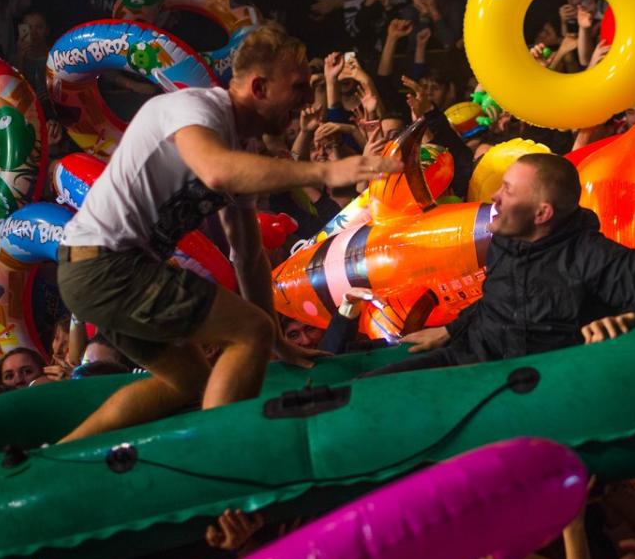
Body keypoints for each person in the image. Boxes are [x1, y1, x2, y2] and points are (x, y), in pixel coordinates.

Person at [54, 24, 400, 442]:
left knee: (187, 381)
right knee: (248, 331)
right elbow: (216, 170)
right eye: (297, 87)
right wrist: (325, 171)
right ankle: (222, 455)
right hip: (105, 265)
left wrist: (277, 341)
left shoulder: (243, 148)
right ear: (259, 87)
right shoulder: (197, 108)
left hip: (97, 272)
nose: (307, 100)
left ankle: (59, 456)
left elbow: (248, 255)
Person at [373, 154, 635, 375]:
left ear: (542, 213)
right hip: (470, 356)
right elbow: (494, 301)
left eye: (508, 191)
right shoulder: (505, 241)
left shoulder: (590, 255)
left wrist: (633, 317)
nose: (495, 197)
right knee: (365, 389)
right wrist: (450, 330)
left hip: (524, 383)